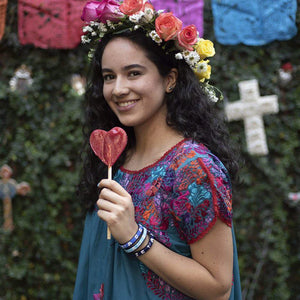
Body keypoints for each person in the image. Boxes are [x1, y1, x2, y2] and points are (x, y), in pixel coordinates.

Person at [73, 1, 242, 299]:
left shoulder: (193, 167)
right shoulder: (117, 158)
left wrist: (135, 238)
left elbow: (218, 288)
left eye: (134, 73)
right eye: (109, 76)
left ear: (170, 79)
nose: (118, 89)